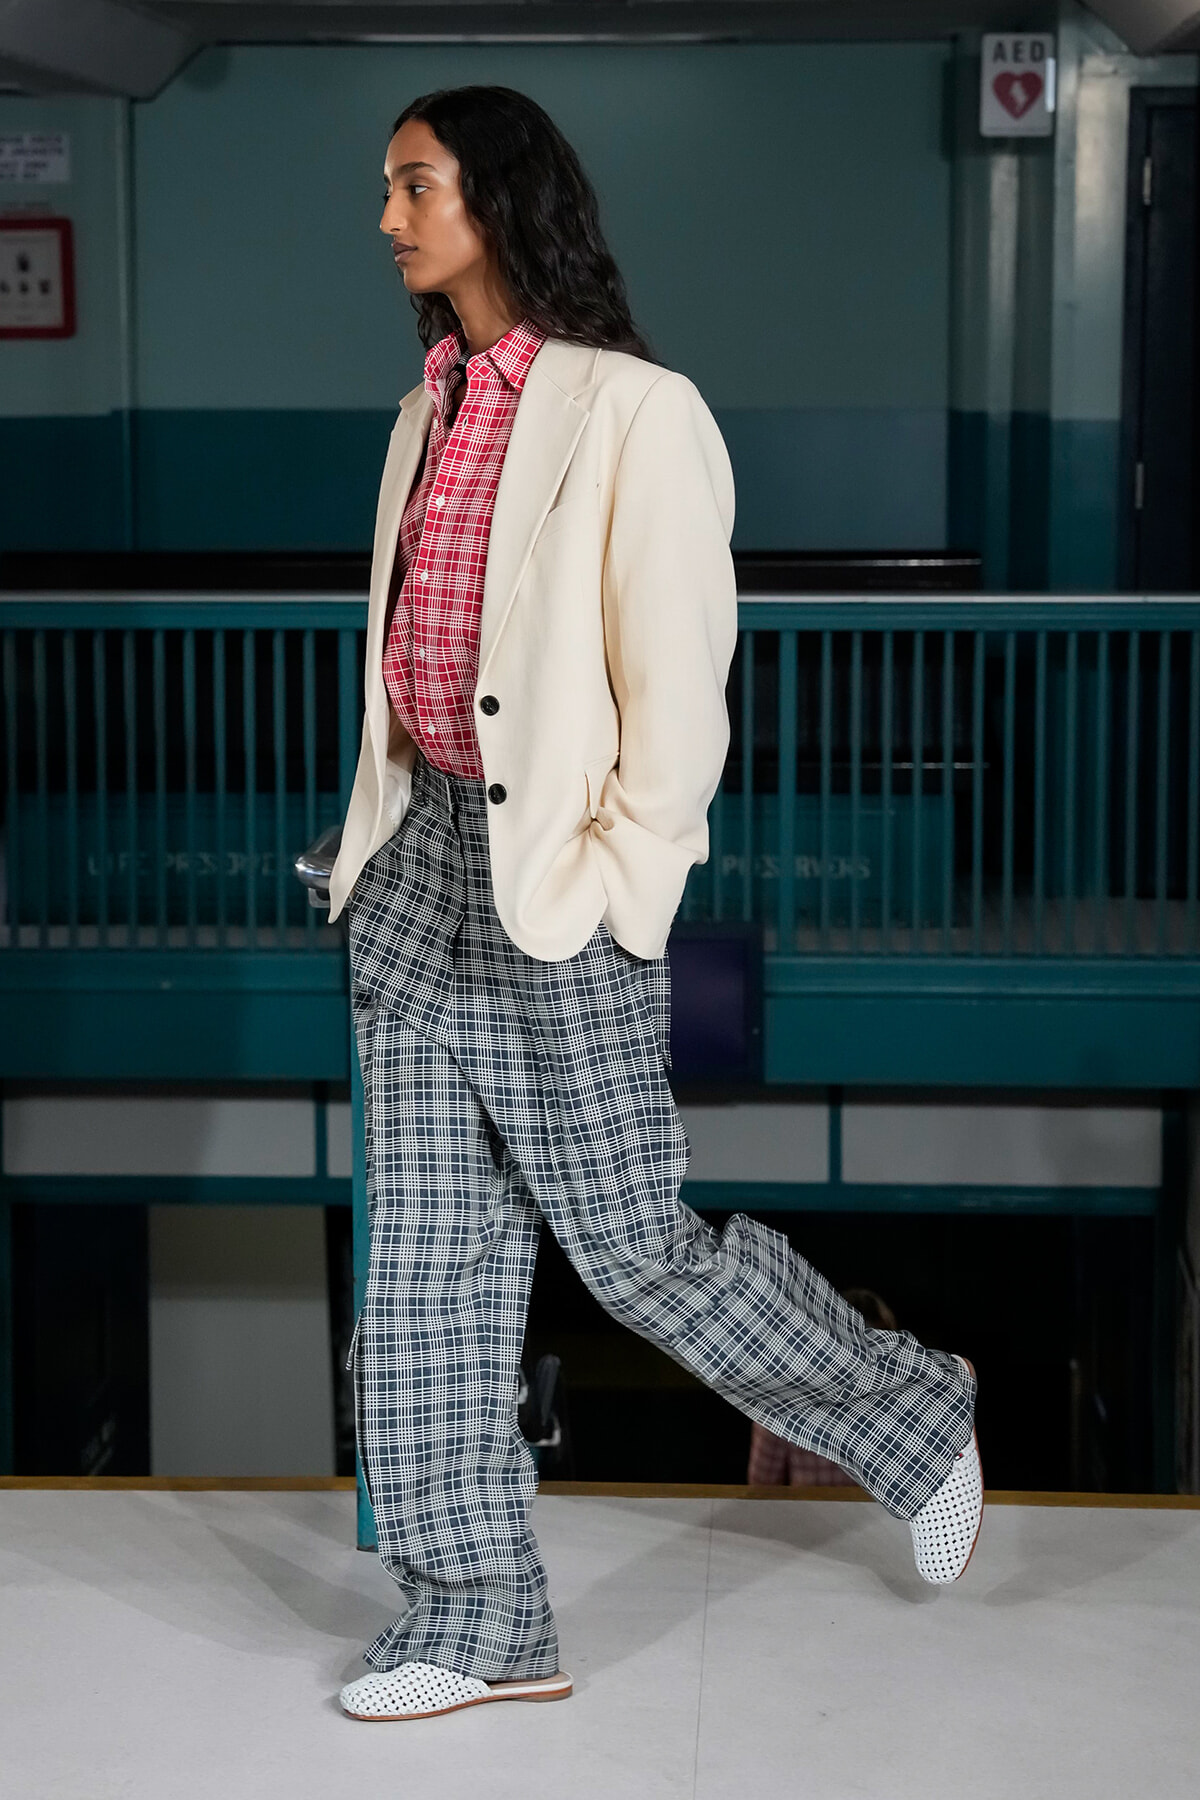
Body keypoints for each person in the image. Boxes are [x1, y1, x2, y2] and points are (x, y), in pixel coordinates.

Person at [328, 84, 984, 1725]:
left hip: (555, 887)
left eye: (414, 187)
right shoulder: (425, 411)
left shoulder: (636, 410)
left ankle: (909, 1410)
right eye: (390, 189)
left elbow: (679, 702)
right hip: (415, 869)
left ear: (499, 197)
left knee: (632, 1248)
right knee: (422, 1258)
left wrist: (625, 900)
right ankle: (478, 1619)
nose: (390, 218)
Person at [747, 1288, 900, 1486]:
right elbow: (762, 1493)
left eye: (881, 1351)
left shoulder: (908, 1402)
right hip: (808, 1516)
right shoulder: (781, 1405)